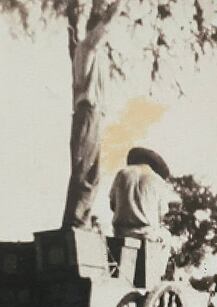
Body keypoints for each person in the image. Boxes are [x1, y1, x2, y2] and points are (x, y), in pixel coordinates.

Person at [61, 0, 124, 229]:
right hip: (88, 112)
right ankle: (75, 223)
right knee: (84, 172)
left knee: (93, 174)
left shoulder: (91, 52)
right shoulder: (87, 46)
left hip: (94, 114)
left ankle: (80, 221)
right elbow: (107, 22)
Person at [109, 147, 174, 241]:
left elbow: (112, 205)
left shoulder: (122, 173)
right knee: (167, 236)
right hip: (146, 234)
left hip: (120, 232)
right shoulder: (157, 179)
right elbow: (162, 214)